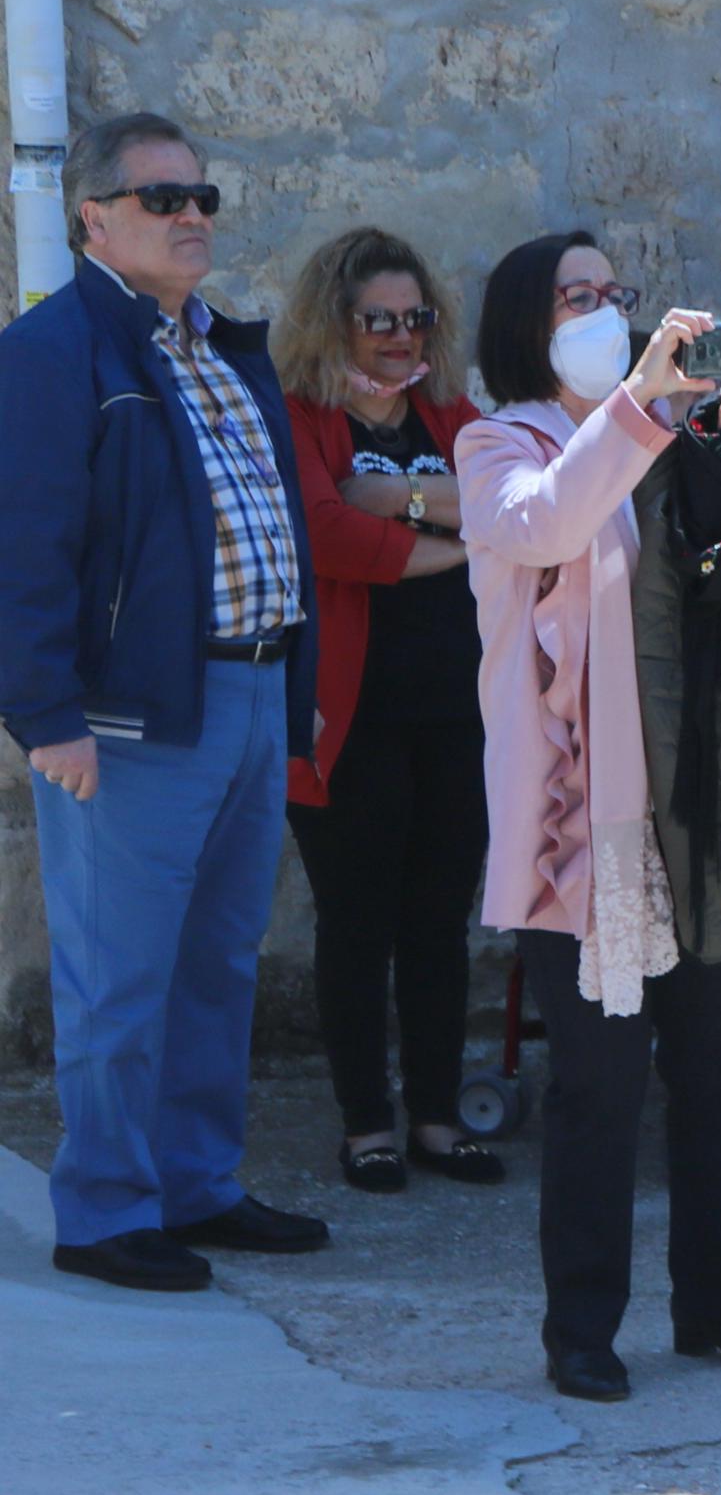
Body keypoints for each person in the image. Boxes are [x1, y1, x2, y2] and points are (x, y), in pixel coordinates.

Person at [459, 235, 721, 1402]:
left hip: (704, 793)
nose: (604, 309)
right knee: (595, 1088)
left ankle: (714, 1302)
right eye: (578, 295)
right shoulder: (498, 441)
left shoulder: (669, 430)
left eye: (615, 294)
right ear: (529, 319)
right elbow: (546, 527)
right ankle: (581, 1325)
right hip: (594, 819)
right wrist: (640, 405)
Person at [0, 111, 329, 1292]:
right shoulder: (51, 353)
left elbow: (270, 526)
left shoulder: (225, 348)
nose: (192, 215)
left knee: (219, 961)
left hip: (245, 693)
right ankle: (102, 1212)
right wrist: (45, 716)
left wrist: (298, 688)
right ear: (93, 216)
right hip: (128, 719)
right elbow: (22, 551)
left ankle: (196, 1183)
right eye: (161, 199)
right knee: (118, 973)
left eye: (202, 197)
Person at [272, 226, 503, 1196]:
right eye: (380, 320)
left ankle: (438, 1118)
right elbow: (323, 531)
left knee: (439, 921)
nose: (402, 337)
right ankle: (367, 1123)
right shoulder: (299, 415)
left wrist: (394, 498)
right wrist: (458, 533)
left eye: (417, 318)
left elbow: (516, 503)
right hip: (347, 716)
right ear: (337, 322)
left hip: (459, 709)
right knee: (357, 922)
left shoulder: (452, 412)